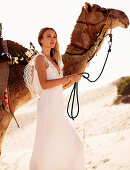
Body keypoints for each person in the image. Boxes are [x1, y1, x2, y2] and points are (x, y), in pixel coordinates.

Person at [28, 27, 86, 170]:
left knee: (72, 146)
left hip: (57, 109)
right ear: (41, 40)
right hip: (48, 109)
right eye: (48, 36)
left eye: (54, 36)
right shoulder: (40, 59)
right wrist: (68, 78)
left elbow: (58, 84)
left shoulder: (56, 60)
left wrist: (73, 79)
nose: (52, 39)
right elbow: (44, 84)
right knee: (50, 149)